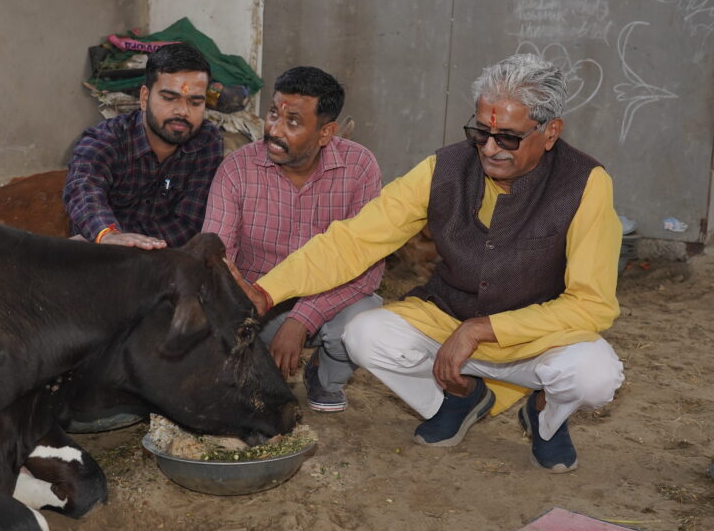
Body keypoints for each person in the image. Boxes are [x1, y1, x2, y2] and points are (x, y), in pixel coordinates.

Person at [231, 53, 624, 473]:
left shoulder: (585, 183)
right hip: (447, 323)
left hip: (535, 338)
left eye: (507, 138)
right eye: (480, 132)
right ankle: (462, 397)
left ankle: (546, 416)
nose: (489, 149)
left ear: (550, 133)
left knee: (596, 376)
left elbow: (592, 304)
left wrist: (483, 329)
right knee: (363, 334)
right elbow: (354, 241)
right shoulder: (445, 168)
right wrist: (268, 289)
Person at [203, 66, 384, 412]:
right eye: (273, 114)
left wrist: (303, 318)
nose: (274, 130)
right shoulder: (237, 170)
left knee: (366, 323)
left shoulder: (359, 167)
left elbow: (369, 269)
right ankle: (259, 368)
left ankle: (324, 376)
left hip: (333, 303)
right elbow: (216, 259)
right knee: (254, 395)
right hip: (261, 310)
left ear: (326, 132)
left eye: (294, 122)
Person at [64, 42, 223, 249]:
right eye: (169, 98)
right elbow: (83, 189)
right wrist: (107, 234)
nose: (183, 111)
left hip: (160, 261)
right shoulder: (105, 139)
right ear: (144, 97)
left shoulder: (207, 143)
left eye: (195, 102)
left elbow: (188, 224)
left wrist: (131, 242)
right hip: (101, 254)